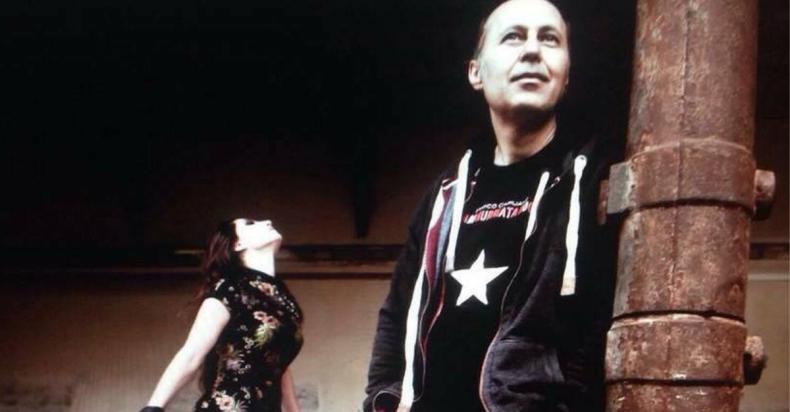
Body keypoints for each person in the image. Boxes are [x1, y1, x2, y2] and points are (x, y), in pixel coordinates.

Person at [363, 1, 620, 411]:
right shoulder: (444, 196)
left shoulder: (595, 179)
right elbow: (396, 317)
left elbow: (601, 321)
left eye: (549, 39)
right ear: (476, 73)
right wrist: (383, 400)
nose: (532, 50)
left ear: (566, 74)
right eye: (513, 36)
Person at [139, 219, 303, 412]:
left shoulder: (285, 301)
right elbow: (191, 354)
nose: (267, 221)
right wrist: (153, 408)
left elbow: (279, 364)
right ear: (238, 244)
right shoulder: (229, 289)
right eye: (250, 223)